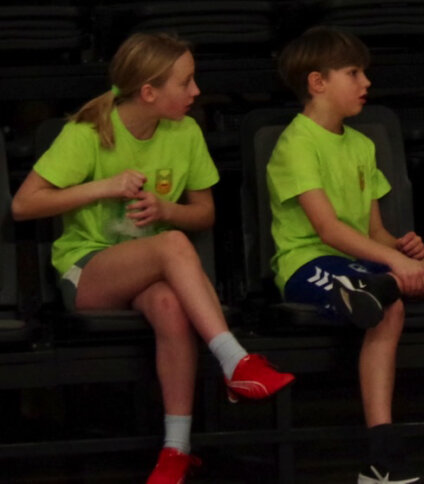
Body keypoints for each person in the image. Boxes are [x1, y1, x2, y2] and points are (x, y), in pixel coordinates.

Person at [11, 33, 294, 484]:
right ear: (148, 92)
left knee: (169, 304)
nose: (196, 91)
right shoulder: (88, 132)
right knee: (173, 244)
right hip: (87, 270)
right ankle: (235, 361)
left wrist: (166, 211)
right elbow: (24, 205)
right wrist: (103, 187)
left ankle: (176, 450)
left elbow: (205, 213)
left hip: (152, 271)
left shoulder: (186, 132)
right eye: (185, 82)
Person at [267, 26, 424, 484]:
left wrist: (399, 248)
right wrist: (397, 263)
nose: (366, 82)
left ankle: (381, 286)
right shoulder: (296, 144)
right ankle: (382, 455)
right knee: (390, 308)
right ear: (317, 82)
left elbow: (374, 233)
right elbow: (328, 230)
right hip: (309, 264)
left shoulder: (362, 144)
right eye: (353, 73)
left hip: (362, 263)